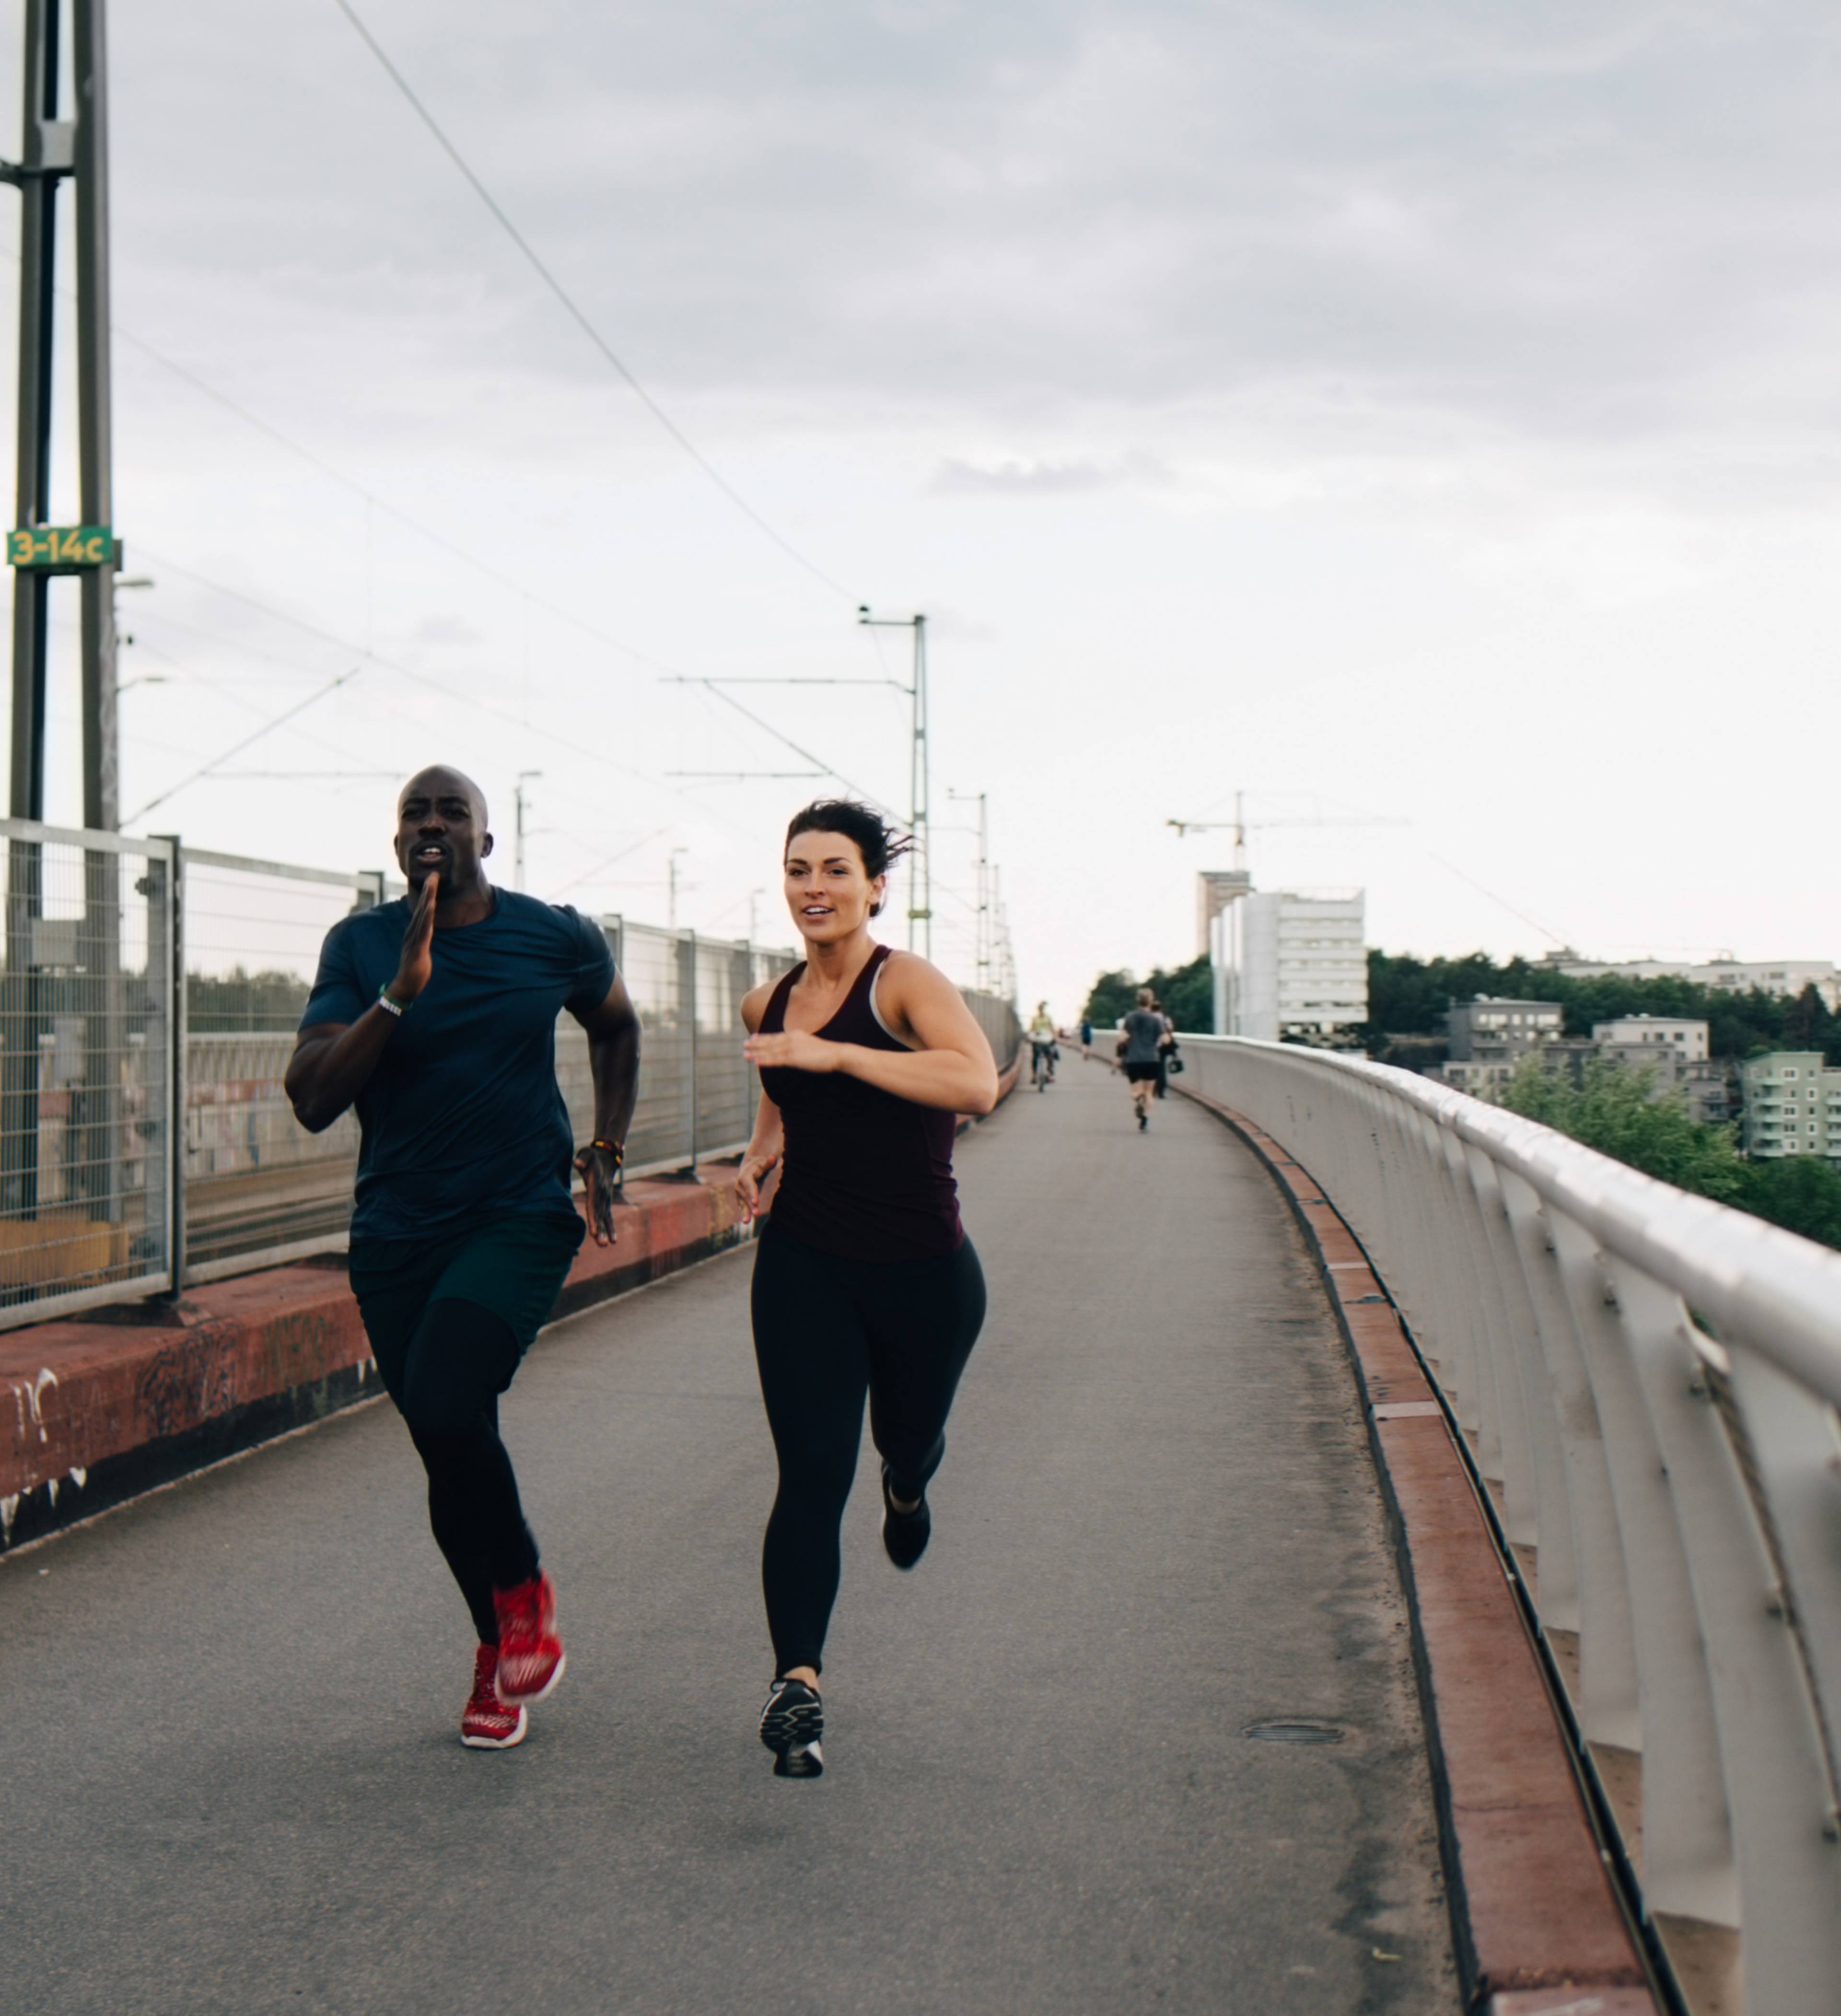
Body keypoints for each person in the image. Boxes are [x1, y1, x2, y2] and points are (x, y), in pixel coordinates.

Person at [286, 766, 639, 1751]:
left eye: (453, 813)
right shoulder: (361, 946)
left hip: (517, 1214)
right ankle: (496, 1648)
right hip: (397, 1230)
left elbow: (615, 1024)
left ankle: (523, 1585)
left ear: (487, 838)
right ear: (396, 841)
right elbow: (313, 1095)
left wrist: (606, 1146)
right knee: (447, 1441)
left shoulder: (555, 935)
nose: (432, 825)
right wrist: (398, 997)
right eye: (415, 813)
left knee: (447, 1401)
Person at [735, 800, 999, 1779]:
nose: (815, 887)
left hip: (927, 1274)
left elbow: (976, 1083)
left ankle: (911, 1477)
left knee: (904, 1438)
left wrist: (840, 1050)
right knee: (809, 1474)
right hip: (805, 1264)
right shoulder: (767, 1002)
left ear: (875, 884)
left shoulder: (907, 983)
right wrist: (761, 1157)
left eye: (835, 869)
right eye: (799, 868)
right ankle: (795, 1685)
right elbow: (779, 1089)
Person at [1117, 986, 1166, 1130]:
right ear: (1151, 1001)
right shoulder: (1156, 1020)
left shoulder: (1130, 1017)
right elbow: (1165, 1039)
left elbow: (1122, 1037)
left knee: (1135, 1091)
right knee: (1149, 1093)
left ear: (1138, 1001)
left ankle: (1138, 1099)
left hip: (1134, 1059)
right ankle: (1145, 1117)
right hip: (1152, 1058)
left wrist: (1124, 1042)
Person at [1027, 1000, 1058, 1088]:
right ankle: (1035, 1075)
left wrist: (1054, 1037)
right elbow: (1032, 1029)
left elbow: (1052, 1028)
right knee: (1035, 1057)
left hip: (1046, 1039)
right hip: (1037, 1039)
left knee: (1050, 1055)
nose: (1041, 1010)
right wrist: (1030, 1037)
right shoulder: (1035, 1019)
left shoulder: (1048, 1018)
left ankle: (1050, 1072)